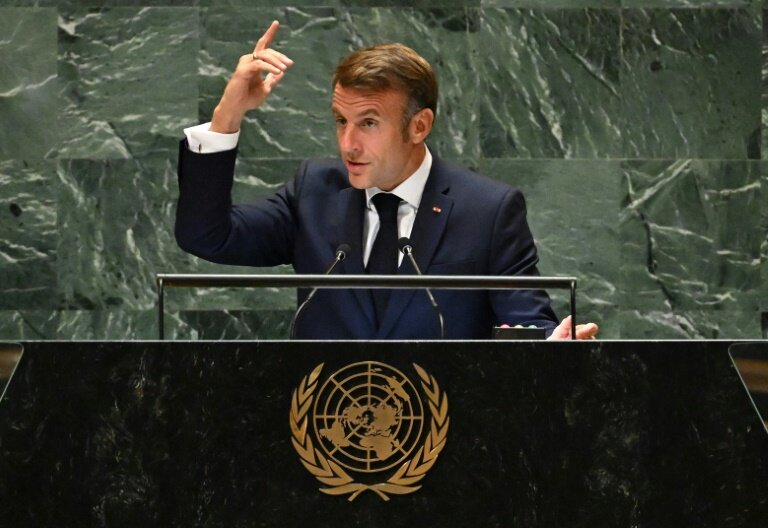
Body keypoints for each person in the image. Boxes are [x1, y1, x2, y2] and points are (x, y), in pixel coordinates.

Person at [175, 21, 599, 341]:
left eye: (369, 122)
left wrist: (550, 343)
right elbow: (206, 236)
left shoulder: (486, 210)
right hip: (323, 434)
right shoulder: (315, 192)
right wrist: (227, 115)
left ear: (419, 126)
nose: (348, 143)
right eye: (341, 121)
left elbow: (526, 323)